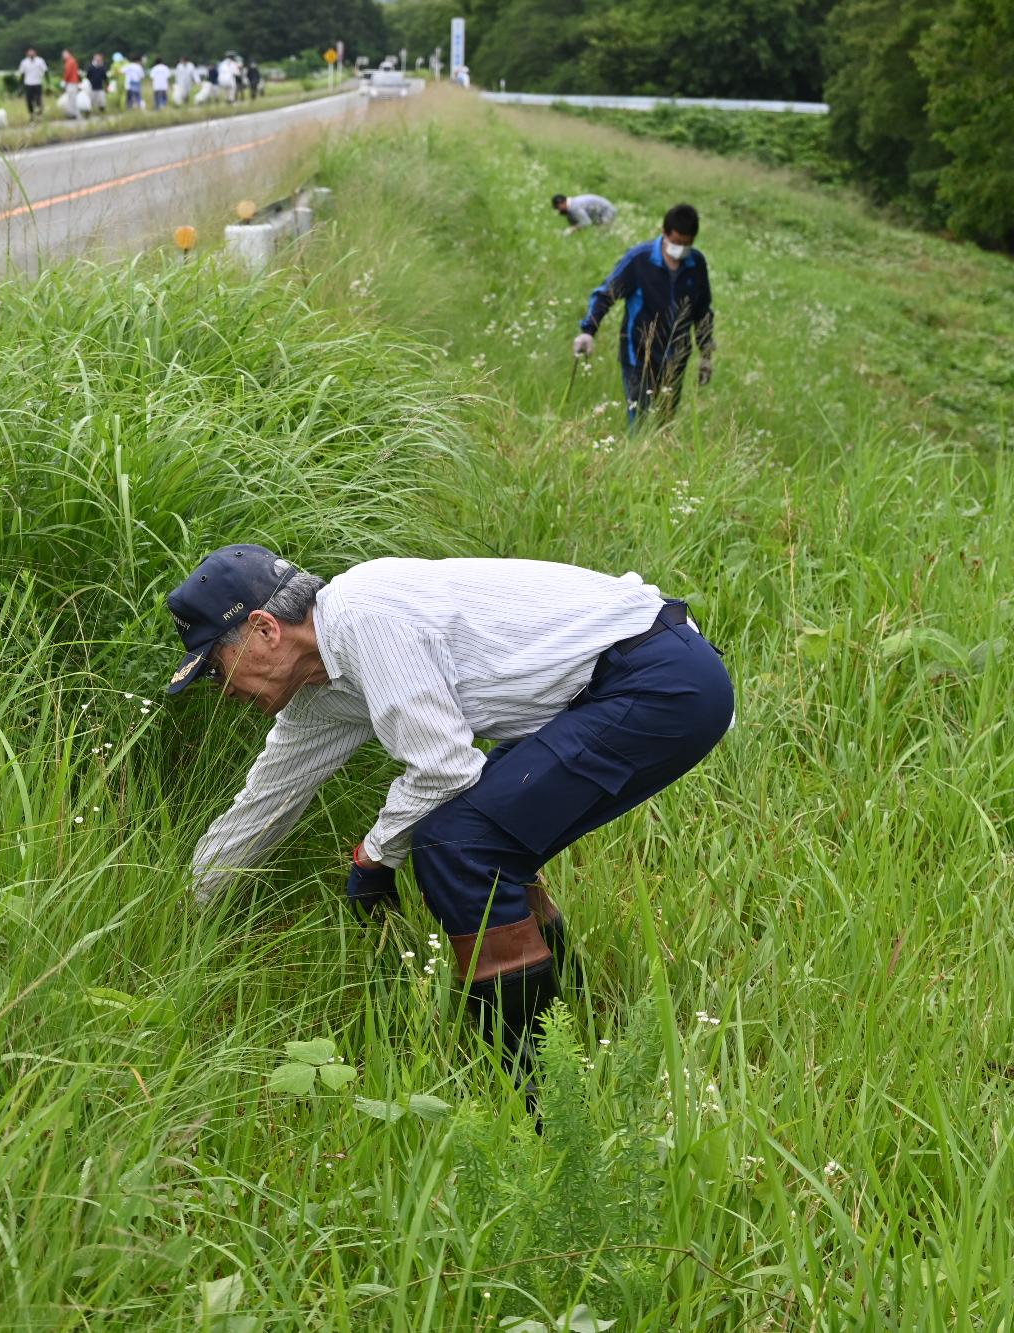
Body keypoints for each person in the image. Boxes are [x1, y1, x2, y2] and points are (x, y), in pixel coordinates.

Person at [165, 545, 734, 1088]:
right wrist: (191, 907)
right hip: (635, 683)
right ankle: (574, 1029)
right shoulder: (325, 683)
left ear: (265, 629)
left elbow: (443, 769)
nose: (221, 691)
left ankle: (538, 1094)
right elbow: (267, 801)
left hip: (659, 681)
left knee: (458, 845)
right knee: (478, 839)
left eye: (216, 667)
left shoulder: (363, 617)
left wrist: (374, 854)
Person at [573, 203, 716, 424]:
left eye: (687, 244)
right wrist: (588, 331)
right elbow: (605, 294)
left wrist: (706, 355)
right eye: (676, 242)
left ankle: (658, 457)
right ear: (664, 233)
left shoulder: (696, 263)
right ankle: (635, 453)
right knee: (639, 418)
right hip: (638, 354)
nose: (681, 249)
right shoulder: (639, 260)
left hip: (676, 357)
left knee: (665, 419)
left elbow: (702, 310)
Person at [18, 47, 48, 120]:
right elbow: (22, 74)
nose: (31, 54)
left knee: (38, 100)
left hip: (37, 83)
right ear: (27, 54)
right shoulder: (24, 62)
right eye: (29, 53)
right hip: (28, 84)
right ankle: (31, 115)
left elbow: (45, 71)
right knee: (29, 101)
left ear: (35, 53)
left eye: (32, 53)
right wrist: (20, 85)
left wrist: (48, 82)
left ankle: (40, 114)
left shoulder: (40, 61)